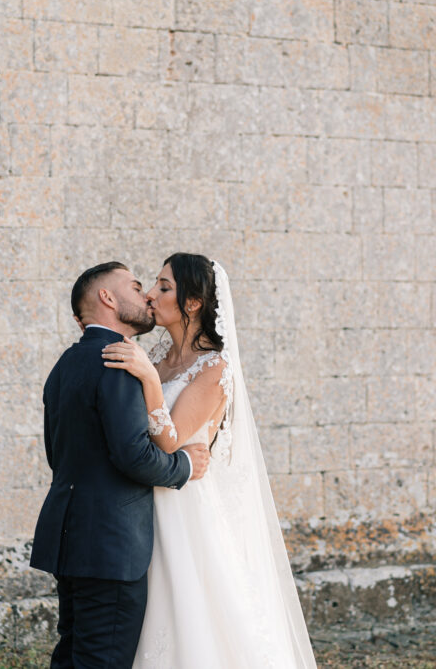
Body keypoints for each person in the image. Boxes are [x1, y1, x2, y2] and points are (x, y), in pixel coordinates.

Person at [101, 253, 318, 668]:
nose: (150, 294)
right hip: (145, 502)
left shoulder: (214, 367)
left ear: (194, 303)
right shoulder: (161, 360)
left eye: (164, 287)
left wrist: (147, 378)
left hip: (185, 508)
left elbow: (170, 441)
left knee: (192, 613)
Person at [29, 261, 212, 669]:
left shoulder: (65, 365)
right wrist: (184, 465)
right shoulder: (119, 362)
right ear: (107, 299)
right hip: (110, 545)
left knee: (73, 653)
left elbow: (56, 453)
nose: (147, 294)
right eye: (135, 286)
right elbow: (134, 456)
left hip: (71, 538)